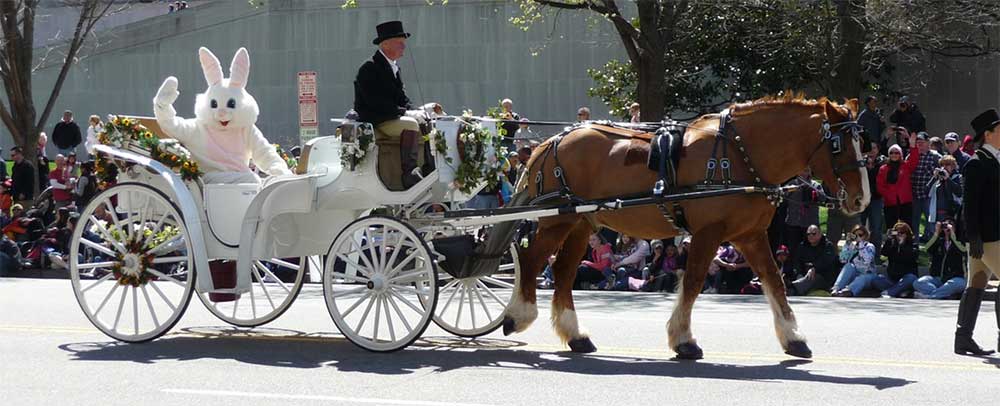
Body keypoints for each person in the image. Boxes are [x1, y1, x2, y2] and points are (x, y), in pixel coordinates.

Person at [353, 20, 433, 191]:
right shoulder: (369, 68)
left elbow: (402, 98)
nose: (404, 47)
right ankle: (408, 173)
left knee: (426, 121)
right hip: (376, 119)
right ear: (386, 44)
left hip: (391, 116)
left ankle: (429, 167)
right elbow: (376, 103)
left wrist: (415, 110)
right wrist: (405, 113)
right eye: (400, 43)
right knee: (411, 124)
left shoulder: (394, 68)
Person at [953, 109, 1000, 356]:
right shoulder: (976, 162)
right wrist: (974, 237)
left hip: (990, 235)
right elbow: (970, 204)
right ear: (988, 135)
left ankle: (963, 339)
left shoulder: (995, 159)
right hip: (988, 237)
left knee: (977, 284)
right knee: (976, 284)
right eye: (999, 129)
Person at [914, 221, 967, 299]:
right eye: (945, 226)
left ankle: (931, 296)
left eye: (950, 225)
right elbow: (926, 249)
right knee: (918, 283)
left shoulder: (960, 242)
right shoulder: (939, 242)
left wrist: (953, 236)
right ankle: (943, 294)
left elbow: (963, 250)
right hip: (939, 279)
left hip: (956, 278)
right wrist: (936, 233)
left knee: (955, 284)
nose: (947, 228)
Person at [877, 136, 920, 231]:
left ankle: (907, 244)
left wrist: (913, 146)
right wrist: (889, 195)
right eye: (891, 153)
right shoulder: (883, 168)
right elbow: (880, 186)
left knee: (907, 227)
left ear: (900, 154)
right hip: (890, 203)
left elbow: (915, 159)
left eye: (896, 153)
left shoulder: (905, 166)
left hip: (905, 202)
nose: (894, 155)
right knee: (891, 228)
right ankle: (892, 245)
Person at [910, 132, 942, 241]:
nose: (919, 145)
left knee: (931, 222)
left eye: (922, 142)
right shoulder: (911, 155)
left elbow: (942, 174)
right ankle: (914, 246)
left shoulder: (936, 156)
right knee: (914, 222)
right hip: (914, 195)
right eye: (917, 143)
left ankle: (933, 245)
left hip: (929, 196)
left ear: (928, 143)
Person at [830, 225, 878, 297]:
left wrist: (861, 245)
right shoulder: (852, 246)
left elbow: (867, 261)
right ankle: (836, 288)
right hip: (854, 274)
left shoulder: (870, 246)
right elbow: (842, 259)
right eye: (855, 235)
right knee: (849, 266)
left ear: (865, 236)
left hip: (868, 276)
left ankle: (849, 291)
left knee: (862, 278)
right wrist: (847, 244)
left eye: (860, 235)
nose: (858, 237)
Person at [876, 222, 919, 298]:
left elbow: (911, 256)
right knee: (877, 279)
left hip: (906, 278)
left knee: (911, 278)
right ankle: (900, 291)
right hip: (893, 279)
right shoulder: (892, 244)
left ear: (907, 234)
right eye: (897, 233)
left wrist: (902, 245)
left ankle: (889, 293)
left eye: (902, 233)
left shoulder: (913, 245)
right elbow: (884, 253)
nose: (899, 235)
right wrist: (889, 239)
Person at [860, 143, 887, 259]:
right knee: (859, 227)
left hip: (876, 199)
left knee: (876, 228)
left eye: (874, 148)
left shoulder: (882, 163)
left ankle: (876, 256)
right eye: (869, 148)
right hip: (862, 199)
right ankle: (859, 254)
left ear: (878, 150)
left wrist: (873, 167)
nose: (871, 150)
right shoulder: (860, 162)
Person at [927, 154, 962, 223]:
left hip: (952, 213)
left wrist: (947, 179)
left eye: (947, 164)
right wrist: (934, 177)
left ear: (953, 166)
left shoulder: (958, 177)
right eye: (942, 165)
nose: (944, 167)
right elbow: (927, 191)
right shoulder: (938, 178)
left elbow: (959, 193)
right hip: (938, 213)